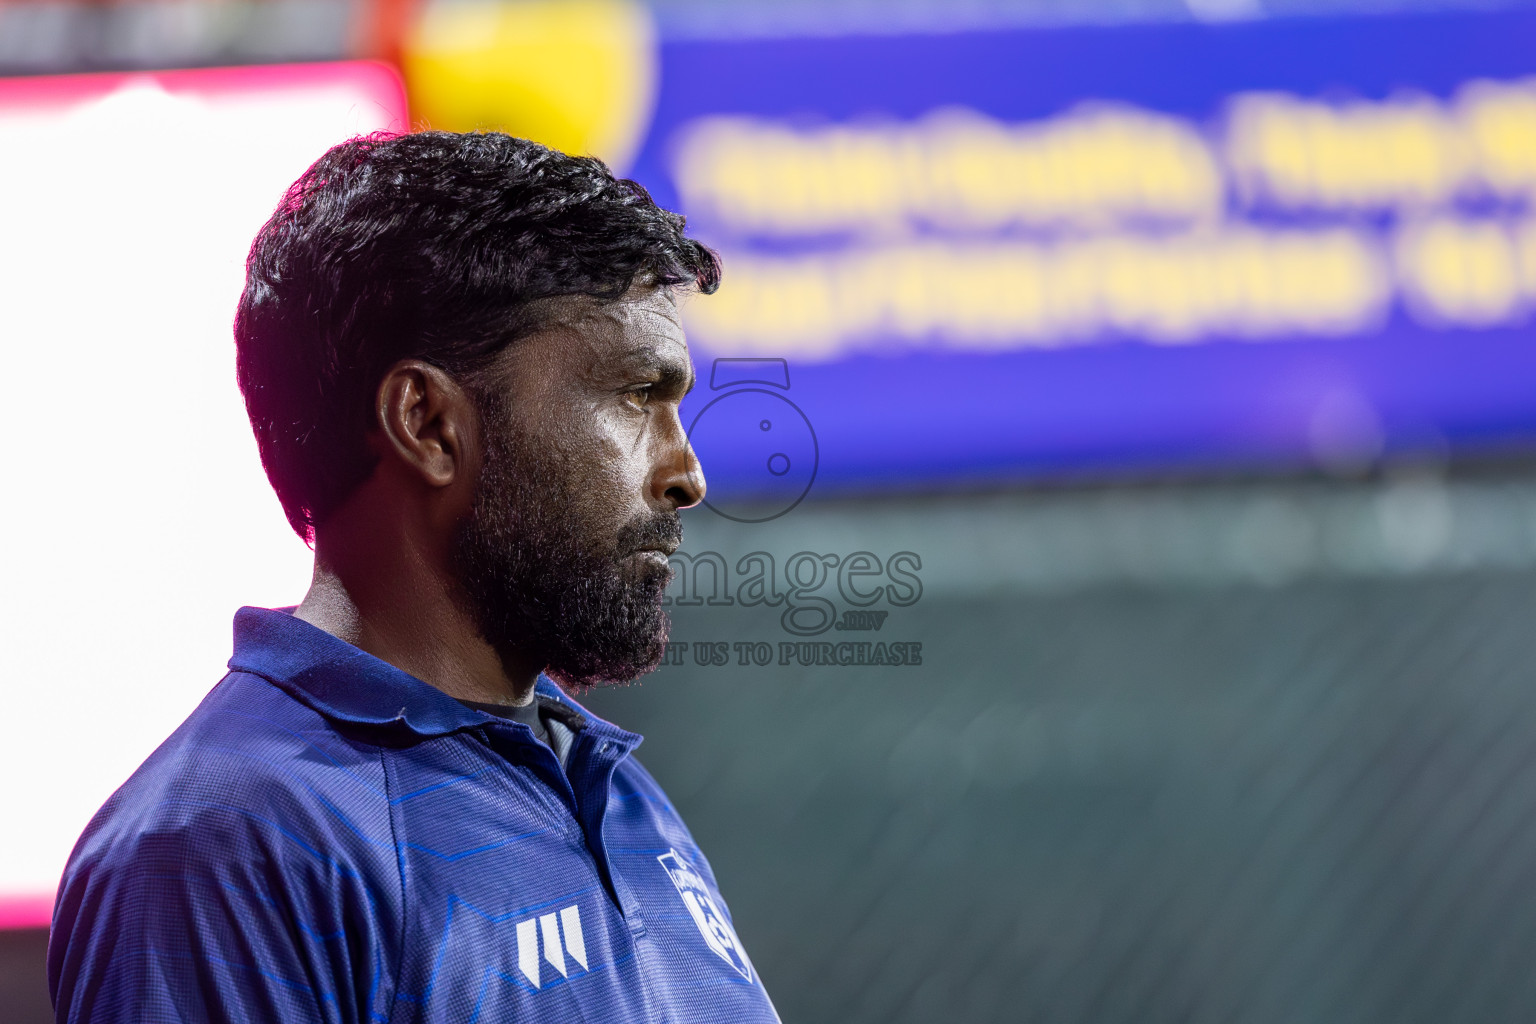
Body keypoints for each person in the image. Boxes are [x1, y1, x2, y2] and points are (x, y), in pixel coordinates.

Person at [48, 131, 780, 1024]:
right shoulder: (223, 847)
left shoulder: (613, 791)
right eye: (637, 395)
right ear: (428, 423)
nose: (686, 473)